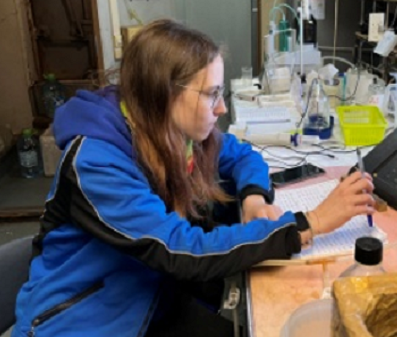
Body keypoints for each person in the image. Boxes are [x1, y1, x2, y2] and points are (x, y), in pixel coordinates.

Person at [14, 19, 374, 337]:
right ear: (165, 93)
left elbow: (242, 155)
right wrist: (311, 222)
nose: (222, 108)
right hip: (87, 321)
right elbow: (179, 249)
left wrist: (252, 197)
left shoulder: (171, 130)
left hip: (150, 295)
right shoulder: (96, 163)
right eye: (212, 94)